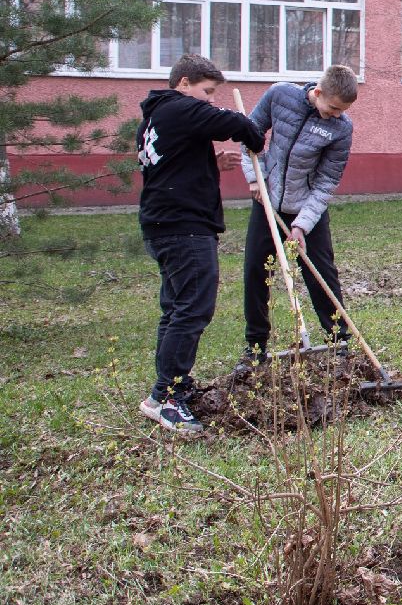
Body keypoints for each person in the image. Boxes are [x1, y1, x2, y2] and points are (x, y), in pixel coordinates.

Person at [136, 54, 266, 433]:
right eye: (207, 91)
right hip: (184, 227)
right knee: (193, 309)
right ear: (184, 83)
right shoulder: (178, 107)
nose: (209, 99)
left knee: (176, 309)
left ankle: (169, 390)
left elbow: (171, 166)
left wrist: (210, 163)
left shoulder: (154, 118)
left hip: (162, 225)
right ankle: (167, 397)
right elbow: (234, 123)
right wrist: (253, 134)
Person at [239, 65, 358, 366]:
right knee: (256, 272)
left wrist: (302, 225)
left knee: (321, 273)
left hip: (307, 207)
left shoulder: (341, 128)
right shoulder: (280, 95)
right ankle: (255, 347)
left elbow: (327, 181)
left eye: (342, 111)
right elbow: (250, 133)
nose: (336, 115)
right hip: (268, 201)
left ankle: (338, 341)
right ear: (318, 92)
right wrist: (254, 177)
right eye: (332, 108)